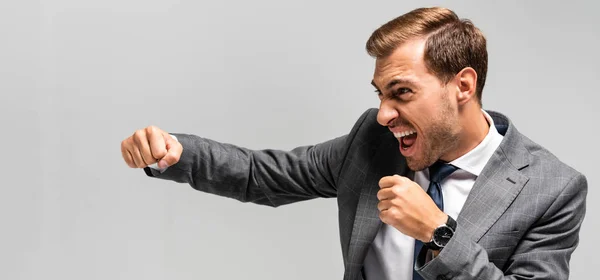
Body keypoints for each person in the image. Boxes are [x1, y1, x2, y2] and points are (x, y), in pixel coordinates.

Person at [120, 7, 587, 280]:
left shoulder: (551, 188)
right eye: (380, 94)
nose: (384, 114)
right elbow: (263, 174)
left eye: (401, 92)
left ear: (462, 86)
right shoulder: (374, 141)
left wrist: (440, 234)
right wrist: (174, 152)